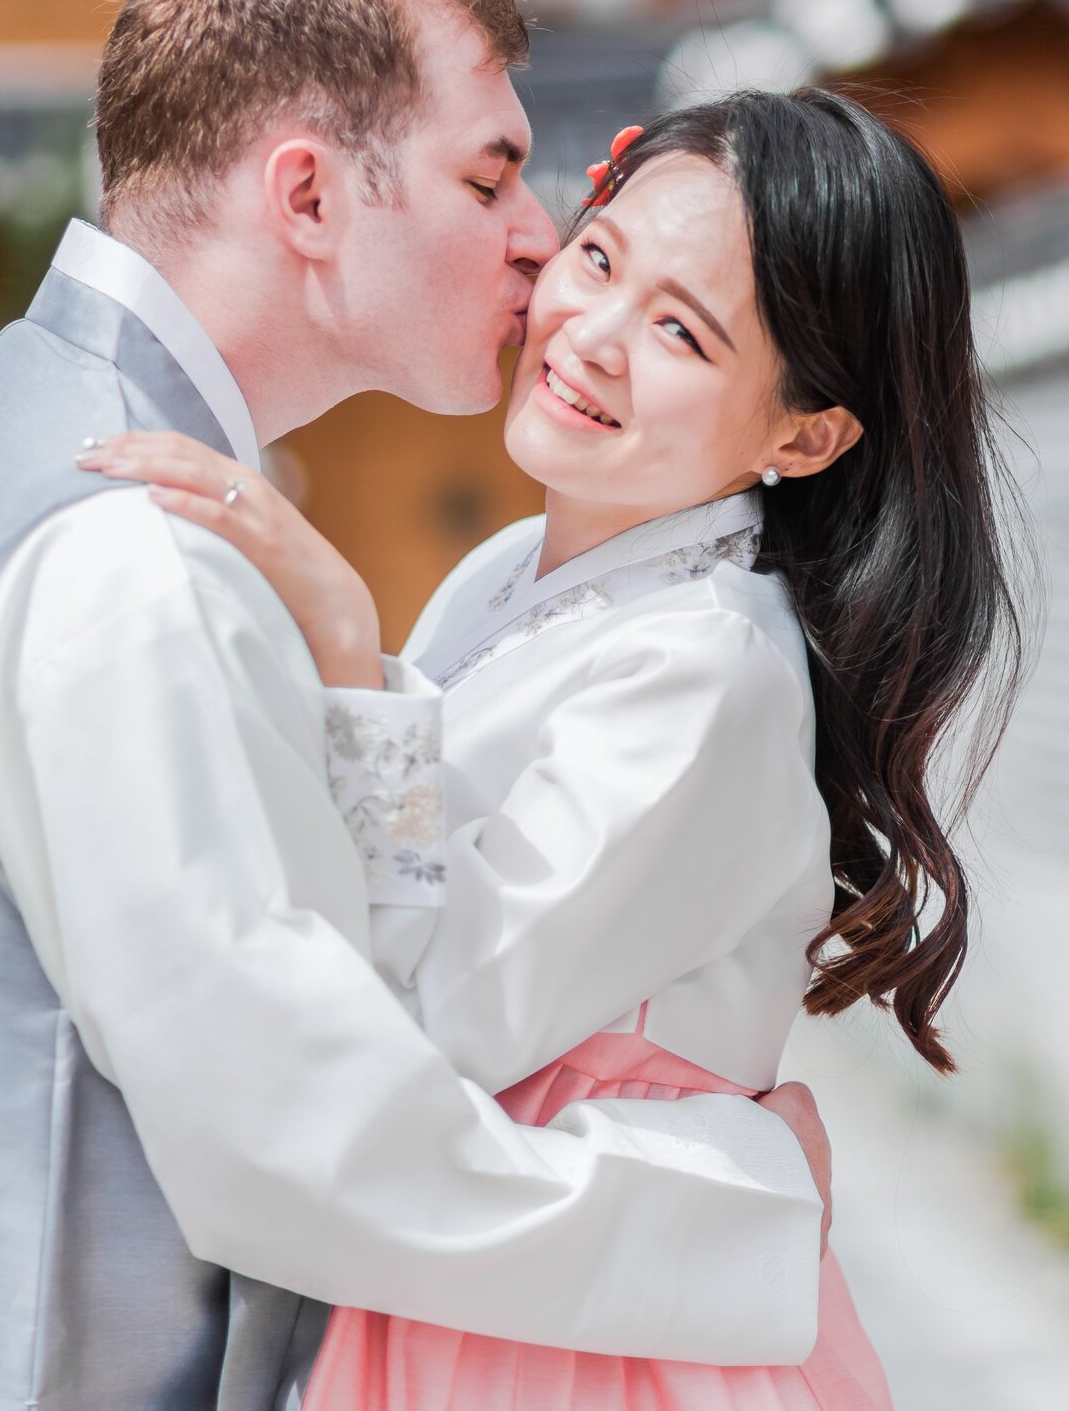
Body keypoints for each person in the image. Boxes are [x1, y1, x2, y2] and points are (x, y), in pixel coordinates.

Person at [0, 0, 831, 1411]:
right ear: (309, 196)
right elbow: (291, 1129)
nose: (541, 243)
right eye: (491, 174)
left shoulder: (10, 425)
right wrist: (742, 1210)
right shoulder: (134, 552)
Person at [93, 87, 1027, 1408]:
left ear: (804, 435)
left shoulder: (708, 671)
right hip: (490, 1288)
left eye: (682, 332)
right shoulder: (509, 571)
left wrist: (351, 653)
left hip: (581, 1341)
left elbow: (437, 1020)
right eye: (599, 259)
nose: (593, 337)